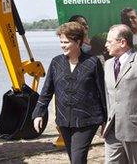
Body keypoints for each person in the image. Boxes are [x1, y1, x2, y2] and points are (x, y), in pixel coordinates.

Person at [32, 22, 107, 164]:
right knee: (74, 159)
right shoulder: (56, 63)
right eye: (61, 42)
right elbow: (47, 90)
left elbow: (102, 92)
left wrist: (106, 119)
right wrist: (38, 113)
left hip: (87, 120)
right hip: (64, 120)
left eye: (66, 42)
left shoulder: (92, 62)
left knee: (78, 158)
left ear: (77, 41)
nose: (62, 45)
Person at [103, 24, 137, 164]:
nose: (106, 44)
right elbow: (108, 96)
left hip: (136, 131)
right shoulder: (107, 65)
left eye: (109, 41)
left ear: (122, 42)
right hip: (112, 131)